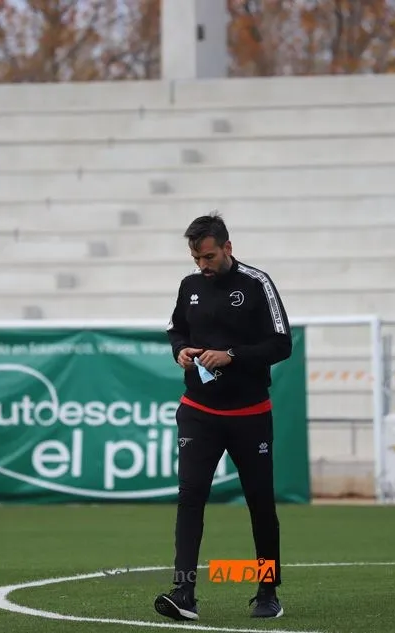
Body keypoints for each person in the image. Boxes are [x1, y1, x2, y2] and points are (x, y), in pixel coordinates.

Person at [154, 212, 291, 622]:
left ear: (227, 248)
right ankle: (184, 593)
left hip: (250, 413)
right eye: (197, 258)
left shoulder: (257, 284)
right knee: (190, 497)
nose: (203, 266)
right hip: (198, 411)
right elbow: (176, 330)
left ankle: (267, 592)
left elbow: (282, 343)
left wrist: (231, 355)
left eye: (209, 257)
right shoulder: (189, 286)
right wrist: (181, 350)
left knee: (260, 504)